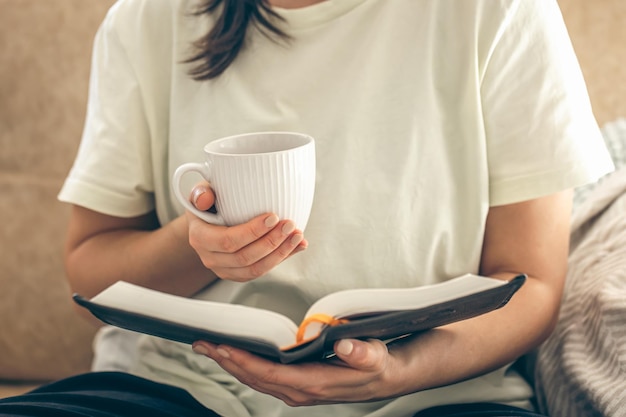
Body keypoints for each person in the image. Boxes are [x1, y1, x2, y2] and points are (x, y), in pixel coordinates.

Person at [0, 0, 614, 416]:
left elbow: (530, 281)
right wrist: (198, 245)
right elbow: (89, 268)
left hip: (435, 396)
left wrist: (401, 369)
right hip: (179, 389)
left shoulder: (496, 12)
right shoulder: (147, 20)